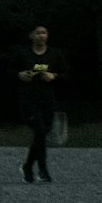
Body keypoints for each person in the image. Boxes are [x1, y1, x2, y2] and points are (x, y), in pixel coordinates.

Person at [13, 23, 65, 184]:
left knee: (42, 134)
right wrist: (20, 75)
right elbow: (8, 72)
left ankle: (28, 165)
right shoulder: (23, 54)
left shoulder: (55, 54)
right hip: (28, 99)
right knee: (40, 131)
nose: (41, 36)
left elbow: (66, 73)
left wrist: (53, 76)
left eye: (44, 33)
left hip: (47, 100)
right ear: (31, 36)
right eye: (38, 33)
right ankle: (42, 169)